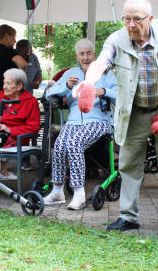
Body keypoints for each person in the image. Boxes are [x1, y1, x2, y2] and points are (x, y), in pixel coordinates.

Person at [73, 0, 158, 241]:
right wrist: (88, 82)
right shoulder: (116, 40)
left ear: (150, 19)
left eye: (137, 19)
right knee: (128, 166)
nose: (131, 24)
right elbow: (101, 62)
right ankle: (129, 217)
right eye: (127, 18)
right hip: (134, 112)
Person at [43, 39, 117, 210]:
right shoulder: (71, 73)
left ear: (94, 54)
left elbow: (121, 94)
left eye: (88, 53)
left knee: (74, 143)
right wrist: (66, 87)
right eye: (82, 54)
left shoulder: (105, 73)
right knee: (60, 146)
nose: (85, 57)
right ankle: (58, 191)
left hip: (99, 121)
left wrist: (104, 91)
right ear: (77, 56)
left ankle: (79, 194)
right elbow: (49, 94)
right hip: (74, 122)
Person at [0, 68, 40, 180]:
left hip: (16, 138)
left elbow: (34, 127)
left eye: (8, 83)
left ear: (19, 86)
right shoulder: (1, 99)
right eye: (4, 83)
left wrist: (10, 129)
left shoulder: (30, 101)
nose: (4, 86)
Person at [0, 24, 27, 96]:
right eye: (14, 37)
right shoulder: (10, 52)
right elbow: (22, 64)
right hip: (6, 94)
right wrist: (19, 82)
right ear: (6, 35)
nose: (15, 41)